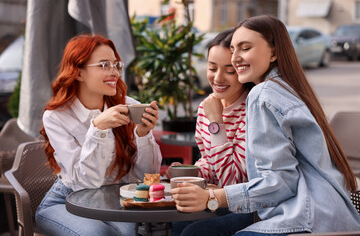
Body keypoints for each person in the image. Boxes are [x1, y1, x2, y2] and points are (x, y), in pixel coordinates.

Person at [170, 15, 360, 235]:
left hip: (304, 218)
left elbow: (280, 182)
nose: (235, 58)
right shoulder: (286, 87)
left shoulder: (263, 95)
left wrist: (213, 197)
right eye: (233, 50)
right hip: (326, 215)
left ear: (274, 52)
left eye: (245, 48)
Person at [35, 34, 162, 236]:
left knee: (137, 232)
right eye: (104, 65)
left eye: (116, 65)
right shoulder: (56, 117)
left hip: (113, 199)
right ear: (78, 72)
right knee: (96, 234)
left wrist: (143, 134)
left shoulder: (128, 106)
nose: (114, 73)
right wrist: (98, 129)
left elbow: (144, 175)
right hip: (66, 200)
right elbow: (84, 183)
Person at [170, 29, 255, 236]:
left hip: (248, 204)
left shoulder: (252, 110)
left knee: (194, 232)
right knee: (176, 222)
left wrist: (216, 122)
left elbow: (231, 182)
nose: (218, 78)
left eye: (229, 70)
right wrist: (192, 173)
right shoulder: (205, 107)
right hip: (217, 197)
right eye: (212, 68)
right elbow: (210, 162)